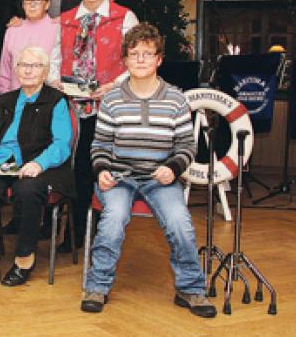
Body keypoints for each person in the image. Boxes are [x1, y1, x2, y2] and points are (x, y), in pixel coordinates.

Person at [80, 23, 216, 318]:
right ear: (125, 60)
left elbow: (186, 146)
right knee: (113, 220)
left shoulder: (176, 99)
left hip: (160, 178)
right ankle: (98, 286)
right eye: (134, 54)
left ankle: (191, 289)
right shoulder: (112, 100)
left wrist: (172, 168)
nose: (140, 59)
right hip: (119, 177)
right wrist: (102, 169)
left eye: (147, 54)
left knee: (180, 222)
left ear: (158, 60)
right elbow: (100, 144)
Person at [0, 46, 74, 286]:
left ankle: (25, 257)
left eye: (35, 65)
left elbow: (62, 143)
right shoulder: (3, 100)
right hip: (0, 164)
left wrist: (39, 163)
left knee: (27, 191)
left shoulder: (55, 100)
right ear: (16, 70)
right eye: (23, 65)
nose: (28, 70)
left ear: (45, 71)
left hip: (39, 166)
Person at [60, 0, 139, 249]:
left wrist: (112, 86)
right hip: (73, 110)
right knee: (76, 169)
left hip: (111, 109)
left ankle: (104, 234)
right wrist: (59, 81)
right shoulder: (66, 19)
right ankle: (76, 233)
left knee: (104, 170)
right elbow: (56, 59)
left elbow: (135, 61)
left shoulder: (124, 17)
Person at [0, 0, 61, 93]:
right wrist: (5, 99)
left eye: (37, 0)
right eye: (28, 0)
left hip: (48, 100)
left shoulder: (57, 29)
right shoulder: (13, 30)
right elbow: (5, 71)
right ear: (23, 3)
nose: (32, 4)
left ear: (47, 4)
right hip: (16, 100)